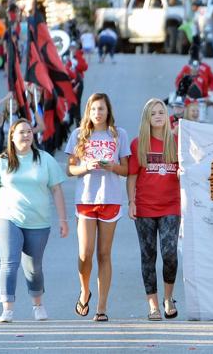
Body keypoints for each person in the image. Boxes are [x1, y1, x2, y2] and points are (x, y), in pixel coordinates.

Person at [0, 119, 69, 323]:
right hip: (8, 217)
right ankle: (7, 309)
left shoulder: (44, 159)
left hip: (39, 220)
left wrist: (63, 219)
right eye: (21, 132)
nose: (26, 135)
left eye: (29, 132)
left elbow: (56, 189)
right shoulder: (1, 161)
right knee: (9, 263)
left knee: (33, 266)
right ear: (11, 136)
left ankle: (38, 305)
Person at [65, 93, 130, 322]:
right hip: (85, 199)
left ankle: (101, 307)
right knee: (85, 253)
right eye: (93, 109)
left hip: (110, 198)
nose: (97, 113)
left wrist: (112, 166)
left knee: (104, 254)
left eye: (101, 109)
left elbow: (127, 169)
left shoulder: (118, 134)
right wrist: (85, 167)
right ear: (88, 112)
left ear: (108, 111)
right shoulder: (79, 135)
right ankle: (85, 290)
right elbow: (69, 169)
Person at [127, 99, 181, 321]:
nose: (158, 116)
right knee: (148, 256)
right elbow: (132, 176)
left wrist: (181, 174)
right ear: (147, 118)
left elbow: (186, 170)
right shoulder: (138, 144)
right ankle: (153, 305)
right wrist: (131, 202)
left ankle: (168, 299)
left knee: (169, 253)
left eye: (161, 112)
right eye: (153, 113)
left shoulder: (177, 142)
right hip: (145, 207)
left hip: (171, 206)